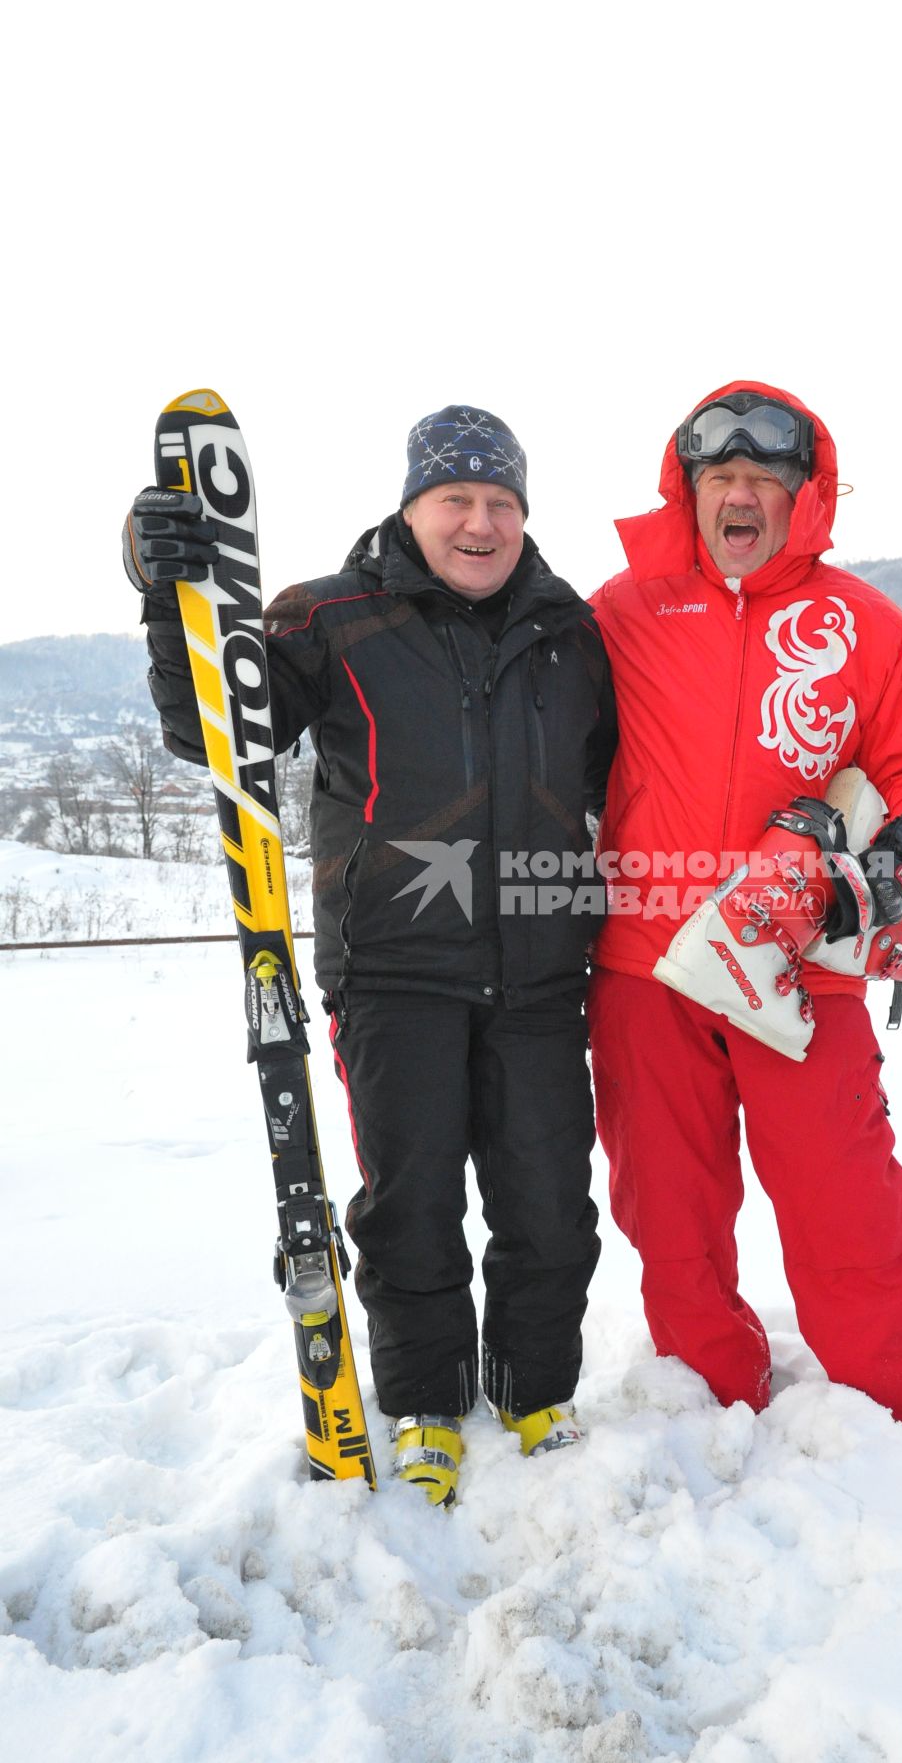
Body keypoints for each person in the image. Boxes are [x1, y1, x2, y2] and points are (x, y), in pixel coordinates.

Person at [124, 405, 616, 1504]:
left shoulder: (571, 636)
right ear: (412, 506)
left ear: (524, 515)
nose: (480, 524)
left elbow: (629, 786)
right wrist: (168, 592)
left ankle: (533, 1388)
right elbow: (212, 728)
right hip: (394, 973)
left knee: (549, 1202)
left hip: (540, 976)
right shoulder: (332, 617)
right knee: (410, 1202)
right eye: (457, 501)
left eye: (501, 503)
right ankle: (429, 1403)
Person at [586, 381, 902, 1438]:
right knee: (668, 1212)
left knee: (844, 1202)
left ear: (806, 497)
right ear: (689, 491)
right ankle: (709, 1400)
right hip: (643, 968)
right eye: (721, 476)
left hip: (802, 963)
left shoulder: (869, 626)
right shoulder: (619, 612)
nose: (740, 494)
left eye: (764, 477)